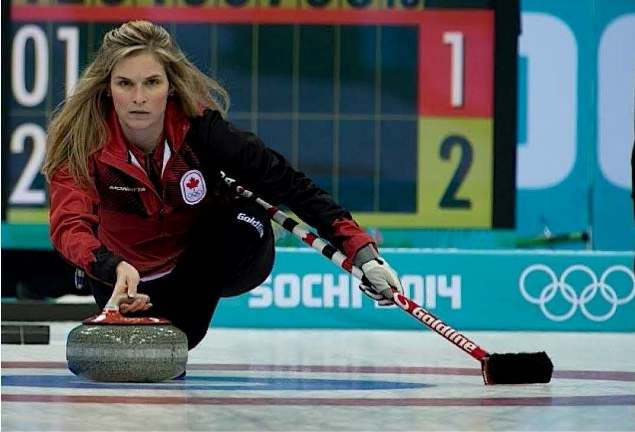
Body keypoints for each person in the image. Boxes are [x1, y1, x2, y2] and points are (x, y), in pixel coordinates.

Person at [44, 20, 403, 350]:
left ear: (170, 86)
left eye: (151, 82)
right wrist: (110, 266)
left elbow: (292, 187)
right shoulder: (82, 142)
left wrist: (363, 253)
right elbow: (69, 226)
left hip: (205, 267)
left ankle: (178, 327)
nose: (139, 98)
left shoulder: (203, 131)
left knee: (245, 216)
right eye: (125, 83)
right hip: (123, 278)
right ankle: (150, 318)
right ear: (107, 88)